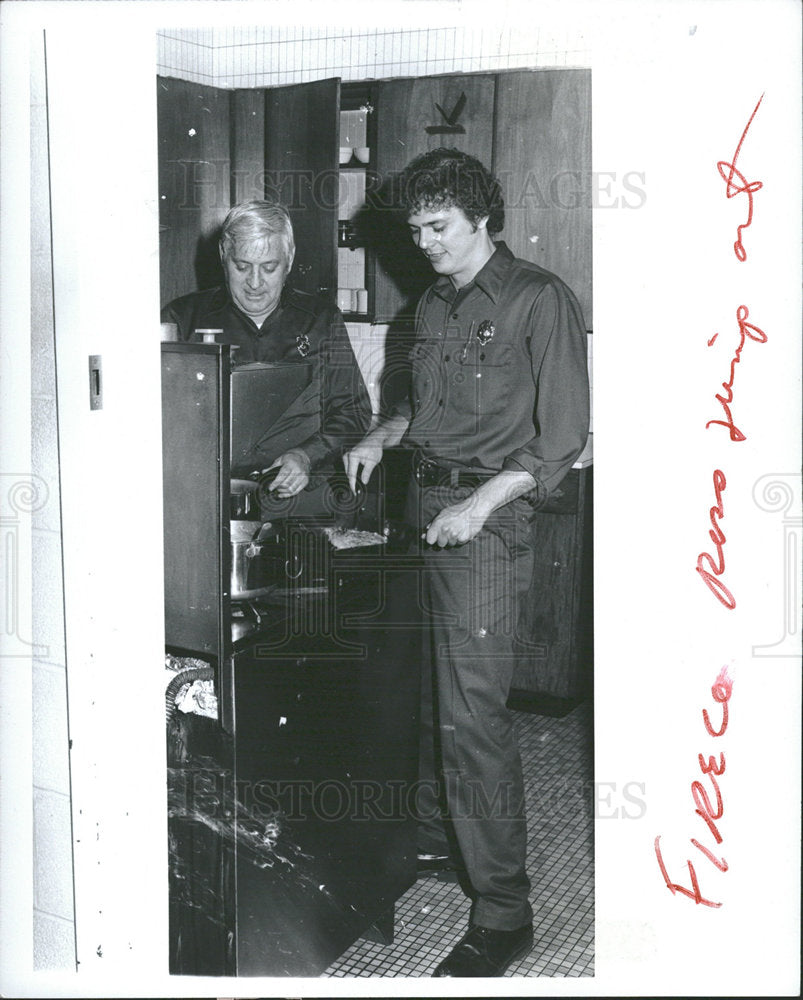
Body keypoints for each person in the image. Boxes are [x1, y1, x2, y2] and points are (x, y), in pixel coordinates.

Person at [343, 148, 589, 977]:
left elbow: (562, 443)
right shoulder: (429, 305)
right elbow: (421, 408)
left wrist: (478, 505)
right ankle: (433, 843)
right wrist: (382, 436)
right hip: (420, 515)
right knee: (416, 698)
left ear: (481, 218)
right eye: (414, 230)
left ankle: (504, 912)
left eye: (437, 227)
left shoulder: (537, 300)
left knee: (471, 721)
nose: (424, 244)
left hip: (484, 527)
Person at [162, 200, 371, 498]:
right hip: (207, 496)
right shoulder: (181, 319)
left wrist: (306, 455)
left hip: (303, 497)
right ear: (224, 255)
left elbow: (353, 410)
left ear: (289, 259)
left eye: (269, 268)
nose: (255, 283)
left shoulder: (321, 319)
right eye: (242, 266)